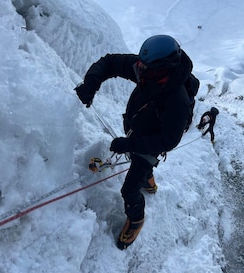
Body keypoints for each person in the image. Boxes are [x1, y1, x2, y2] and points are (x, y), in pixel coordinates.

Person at [75, 35, 196, 250]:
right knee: (139, 166)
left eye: (145, 68)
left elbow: (167, 141)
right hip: (135, 129)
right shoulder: (147, 70)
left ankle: (136, 219)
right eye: (140, 65)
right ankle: (148, 180)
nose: (139, 70)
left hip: (150, 144)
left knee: (129, 189)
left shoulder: (177, 101)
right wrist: (91, 83)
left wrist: (129, 145)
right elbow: (110, 62)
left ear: (164, 69)